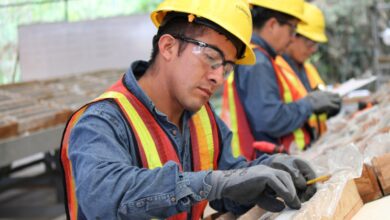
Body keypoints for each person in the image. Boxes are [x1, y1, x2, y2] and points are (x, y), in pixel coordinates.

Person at [60, 0, 316, 219]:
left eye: (226, 67)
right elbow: (104, 198)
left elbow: (228, 182)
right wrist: (213, 183)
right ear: (168, 47)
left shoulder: (202, 119)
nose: (218, 77)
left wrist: (268, 172)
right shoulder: (101, 121)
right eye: (211, 58)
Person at [221, 0, 341, 160]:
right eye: (292, 30)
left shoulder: (265, 59)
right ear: (272, 25)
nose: (292, 39)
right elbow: (270, 120)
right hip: (265, 166)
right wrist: (309, 104)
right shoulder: (258, 62)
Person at [275, 2, 341, 146]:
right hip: (283, 158)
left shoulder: (307, 68)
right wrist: (310, 104)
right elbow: (271, 119)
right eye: (310, 43)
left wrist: (329, 106)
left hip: (312, 149)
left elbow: (313, 107)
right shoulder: (273, 67)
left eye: (316, 45)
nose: (313, 50)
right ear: (293, 36)